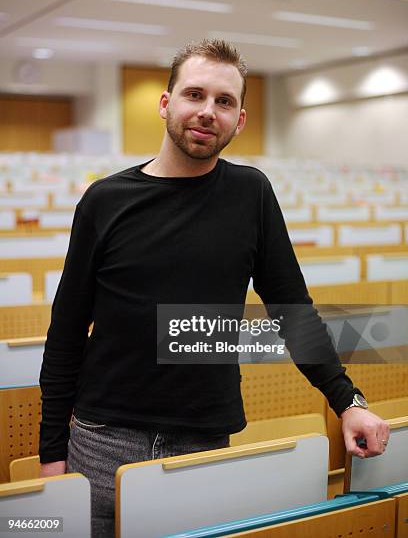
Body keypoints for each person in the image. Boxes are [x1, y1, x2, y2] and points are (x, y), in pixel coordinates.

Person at [39, 39, 389, 536]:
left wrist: (346, 401)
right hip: (102, 441)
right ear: (166, 104)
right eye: (194, 95)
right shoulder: (105, 200)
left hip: (203, 439)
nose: (207, 112)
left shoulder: (252, 194)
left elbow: (293, 312)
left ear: (239, 120)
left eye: (224, 102)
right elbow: (67, 331)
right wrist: (52, 453)